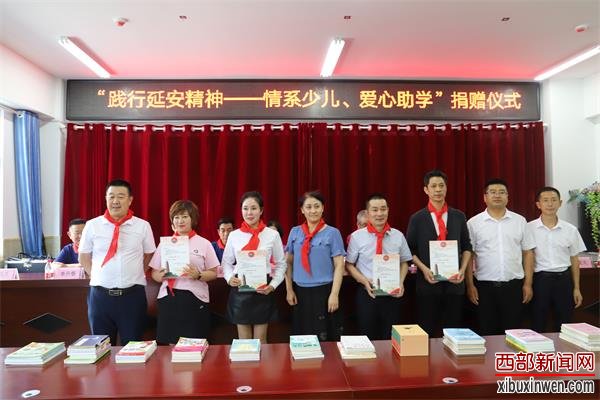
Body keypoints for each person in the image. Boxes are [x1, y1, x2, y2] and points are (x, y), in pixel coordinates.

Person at [79, 179, 156, 345]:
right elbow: (83, 257)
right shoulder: (92, 225)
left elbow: (149, 254)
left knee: (133, 348)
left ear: (130, 200)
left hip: (132, 296)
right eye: (111, 196)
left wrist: (136, 272)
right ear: (106, 198)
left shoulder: (142, 226)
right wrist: (98, 276)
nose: (115, 201)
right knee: (101, 348)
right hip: (100, 297)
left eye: (121, 196)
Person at [406, 170, 472, 337]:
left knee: (453, 332)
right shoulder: (417, 218)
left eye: (441, 186)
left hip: (455, 284)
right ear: (426, 190)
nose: (438, 190)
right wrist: (424, 269)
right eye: (433, 186)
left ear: (446, 188)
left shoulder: (458, 216)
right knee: (426, 331)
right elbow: (410, 250)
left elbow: (467, 247)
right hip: (427, 284)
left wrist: (462, 270)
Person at [466, 178, 535, 336]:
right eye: (493, 192)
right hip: (484, 288)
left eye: (502, 192)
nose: (497, 195)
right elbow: (469, 256)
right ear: (485, 197)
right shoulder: (473, 223)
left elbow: (528, 253)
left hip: (514, 287)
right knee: (487, 333)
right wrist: (470, 286)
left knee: (514, 334)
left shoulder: (520, 221)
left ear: (507, 197)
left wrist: (528, 284)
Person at [148, 200, 220, 344]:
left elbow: (214, 272)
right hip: (169, 297)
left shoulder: (204, 243)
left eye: (185, 217)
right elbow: (154, 273)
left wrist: (198, 275)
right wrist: (160, 276)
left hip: (195, 298)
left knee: (194, 345)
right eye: (176, 217)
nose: (180, 221)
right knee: (170, 344)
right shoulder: (165, 244)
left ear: (193, 219)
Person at [222, 191, 286, 342]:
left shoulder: (272, 235)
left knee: (261, 340)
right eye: (245, 208)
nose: (249, 213)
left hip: (263, 289)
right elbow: (226, 262)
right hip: (240, 289)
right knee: (244, 341)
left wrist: (273, 285)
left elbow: (281, 263)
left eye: (253, 208)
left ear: (261, 210)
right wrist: (229, 278)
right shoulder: (234, 235)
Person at [346, 193, 412, 340]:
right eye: (375, 210)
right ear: (368, 213)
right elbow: (349, 265)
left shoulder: (398, 235)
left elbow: (404, 262)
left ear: (388, 210)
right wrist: (363, 280)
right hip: (368, 293)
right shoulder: (357, 237)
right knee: (367, 337)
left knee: (391, 338)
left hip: (393, 295)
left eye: (383, 209)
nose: (379, 213)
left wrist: (401, 282)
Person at [285, 191, 345, 341]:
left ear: (323, 208)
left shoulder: (333, 233)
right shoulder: (295, 232)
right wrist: (289, 290)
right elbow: (288, 263)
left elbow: (339, 265)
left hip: (325, 292)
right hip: (300, 292)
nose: (313, 210)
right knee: (303, 338)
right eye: (309, 207)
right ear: (302, 210)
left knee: (326, 338)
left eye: (317, 206)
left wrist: (334, 294)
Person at [526, 187, 586, 333]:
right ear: (538, 204)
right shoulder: (529, 228)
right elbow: (526, 257)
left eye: (554, 200)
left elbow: (574, 259)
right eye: (545, 200)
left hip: (564, 280)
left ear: (560, 203)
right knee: (538, 321)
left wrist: (576, 288)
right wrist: (528, 284)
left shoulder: (570, 229)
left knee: (565, 323)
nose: (550, 204)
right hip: (540, 280)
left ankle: (563, 348)